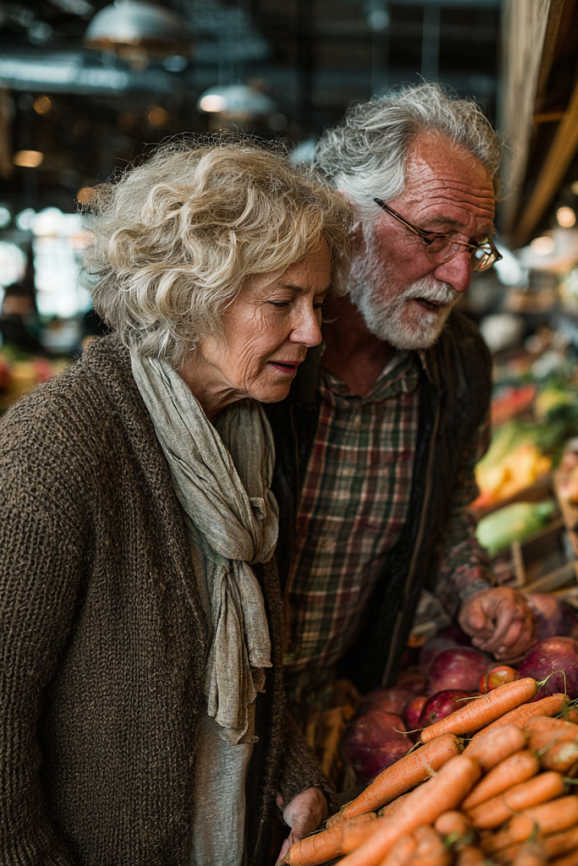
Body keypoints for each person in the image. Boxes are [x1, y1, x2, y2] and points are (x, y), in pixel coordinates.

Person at [0, 137, 352, 866]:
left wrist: (288, 777)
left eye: (318, 303)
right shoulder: (54, 451)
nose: (312, 334)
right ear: (190, 295)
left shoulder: (244, 436)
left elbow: (238, 667)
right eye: (283, 302)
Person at [265, 83, 537, 715]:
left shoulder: (458, 362)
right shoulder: (261, 346)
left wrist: (472, 590)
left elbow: (445, 513)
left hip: (337, 701)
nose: (460, 275)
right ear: (344, 214)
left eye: (474, 246)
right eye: (435, 235)